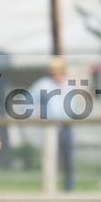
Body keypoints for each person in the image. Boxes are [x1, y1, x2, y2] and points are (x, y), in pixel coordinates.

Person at [28, 57, 74, 191]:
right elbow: (28, 99)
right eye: (55, 72)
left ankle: (68, 188)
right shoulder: (43, 84)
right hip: (50, 128)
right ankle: (49, 188)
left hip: (66, 126)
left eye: (60, 72)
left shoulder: (68, 84)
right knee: (50, 158)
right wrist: (33, 115)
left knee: (67, 160)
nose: (58, 75)